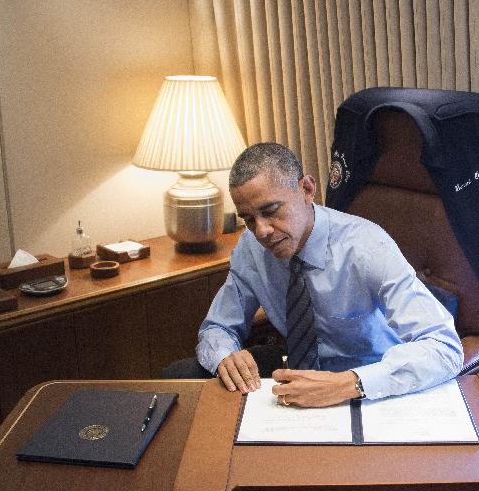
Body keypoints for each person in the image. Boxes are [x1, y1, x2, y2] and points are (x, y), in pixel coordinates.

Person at [193, 142, 463, 407]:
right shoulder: (251, 249)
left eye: (270, 211)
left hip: (373, 391)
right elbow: (217, 327)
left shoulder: (367, 247)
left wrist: (349, 384)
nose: (261, 231)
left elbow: (445, 347)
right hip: (298, 390)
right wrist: (224, 355)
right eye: (249, 219)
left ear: (307, 189)